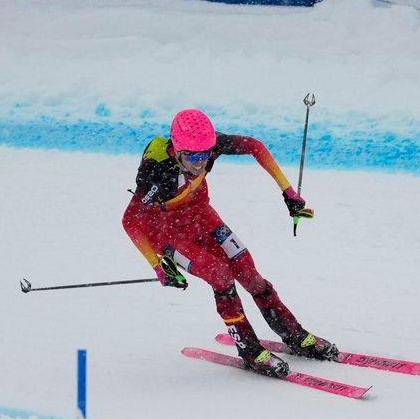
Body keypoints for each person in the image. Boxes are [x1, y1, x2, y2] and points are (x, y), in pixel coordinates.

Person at [122, 108, 340, 377]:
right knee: (220, 276)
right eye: (191, 156)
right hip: (166, 231)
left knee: (250, 274)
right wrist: (157, 266)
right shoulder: (158, 173)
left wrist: (288, 191)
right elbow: (130, 221)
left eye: (204, 155)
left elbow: (255, 146)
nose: (199, 162)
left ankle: (295, 335)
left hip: (201, 216)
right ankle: (250, 350)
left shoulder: (210, 145)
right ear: (176, 149)